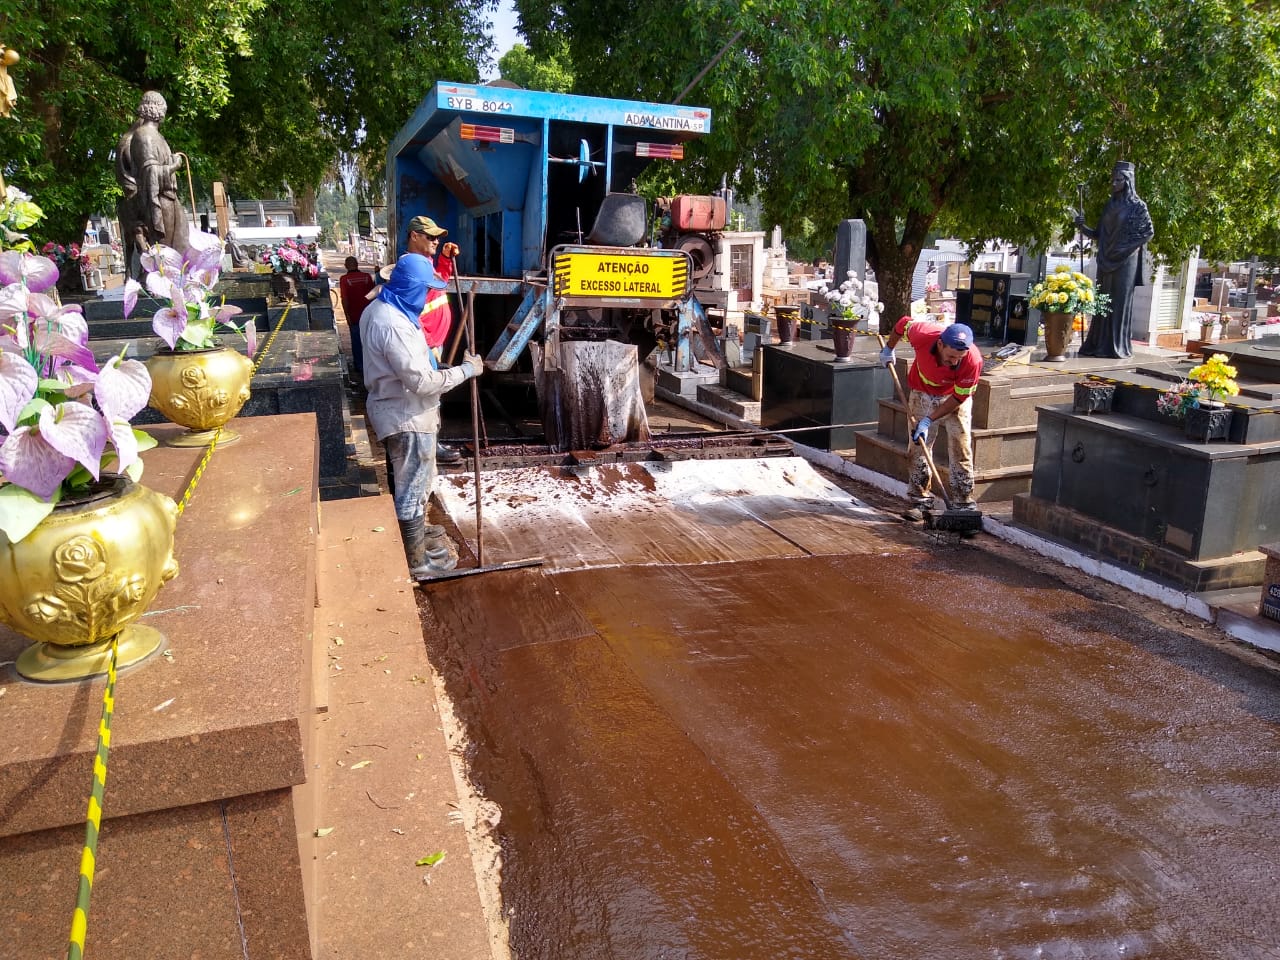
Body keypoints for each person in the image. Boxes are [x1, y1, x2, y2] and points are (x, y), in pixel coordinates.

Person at [360, 254, 483, 580]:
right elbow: (420, 383)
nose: (428, 296)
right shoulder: (393, 324)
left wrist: (437, 368)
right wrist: (466, 371)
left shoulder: (381, 308)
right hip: (407, 415)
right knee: (413, 488)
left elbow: (409, 369)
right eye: (425, 290)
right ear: (412, 289)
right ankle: (416, 562)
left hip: (395, 405)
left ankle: (414, 537)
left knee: (412, 482)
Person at [879, 319, 982, 522]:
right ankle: (920, 500)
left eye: (959, 358)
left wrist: (928, 420)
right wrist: (889, 349)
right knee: (918, 448)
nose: (954, 361)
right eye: (951, 356)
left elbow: (959, 398)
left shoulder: (973, 360)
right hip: (922, 392)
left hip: (954, 398)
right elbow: (901, 324)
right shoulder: (923, 334)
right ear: (941, 344)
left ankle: (963, 504)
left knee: (961, 448)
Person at [1075, 160, 1155, 359]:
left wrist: (1124, 248)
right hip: (1106, 259)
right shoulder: (1110, 205)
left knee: (1118, 303)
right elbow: (1099, 234)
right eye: (1113, 179)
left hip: (1126, 262)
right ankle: (1099, 344)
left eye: (1118, 180)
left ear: (1127, 181)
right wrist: (1082, 227)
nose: (1114, 183)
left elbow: (1147, 232)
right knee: (1103, 301)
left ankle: (1117, 346)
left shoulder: (1138, 206)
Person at [404, 215, 464, 464]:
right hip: (424, 343)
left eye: (438, 238)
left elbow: (439, 282)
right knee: (427, 398)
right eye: (430, 237)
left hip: (432, 343)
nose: (436, 241)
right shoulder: (412, 267)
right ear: (414, 236)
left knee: (433, 397)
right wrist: (425, 343)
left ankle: (431, 443)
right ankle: (429, 447)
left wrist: (445, 259)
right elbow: (410, 309)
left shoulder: (426, 262)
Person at [115, 91, 189, 280]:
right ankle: (155, 285)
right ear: (154, 108)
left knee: (179, 247)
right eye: (162, 107)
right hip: (158, 200)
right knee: (164, 254)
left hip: (169, 199)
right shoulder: (144, 135)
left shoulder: (157, 136)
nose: (164, 111)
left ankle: (169, 288)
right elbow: (149, 173)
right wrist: (174, 166)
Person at [338, 256, 376, 388]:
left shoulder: (344, 279)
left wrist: (347, 315)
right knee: (370, 341)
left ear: (346, 266)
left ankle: (360, 367)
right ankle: (371, 365)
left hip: (354, 316)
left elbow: (345, 299)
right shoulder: (366, 277)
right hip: (369, 315)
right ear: (357, 264)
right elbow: (374, 294)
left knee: (357, 342)